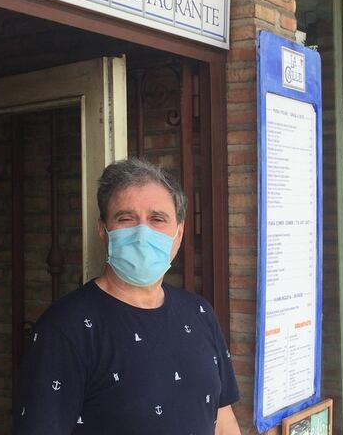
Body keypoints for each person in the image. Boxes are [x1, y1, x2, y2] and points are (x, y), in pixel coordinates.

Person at [14, 158, 241, 434]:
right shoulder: (66, 328)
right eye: (126, 219)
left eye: (157, 219)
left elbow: (223, 418)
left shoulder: (199, 313)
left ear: (178, 234)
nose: (142, 234)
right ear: (104, 231)